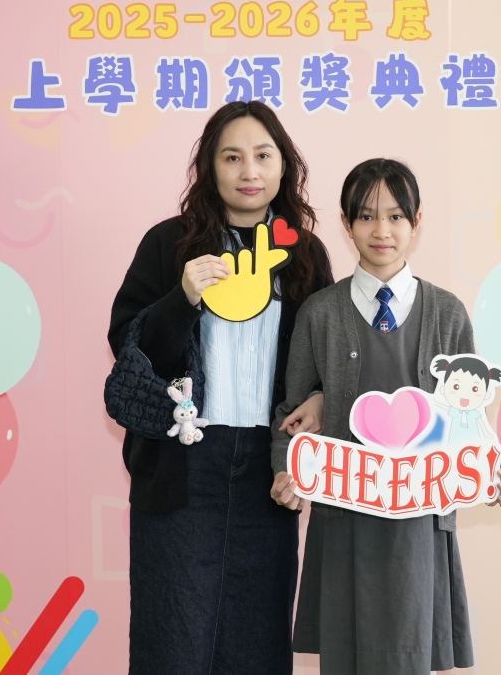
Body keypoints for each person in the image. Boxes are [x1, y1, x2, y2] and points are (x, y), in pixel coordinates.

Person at [108, 101, 334, 675]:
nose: (248, 171)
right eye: (232, 157)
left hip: (268, 472)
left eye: (263, 156)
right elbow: (129, 348)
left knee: (257, 644)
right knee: (171, 645)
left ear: (284, 166)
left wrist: (319, 401)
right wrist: (182, 297)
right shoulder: (169, 244)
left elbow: (327, 364)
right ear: (210, 167)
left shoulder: (305, 255)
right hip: (183, 468)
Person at [270, 158, 501, 675]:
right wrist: (285, 469)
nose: (381, 230)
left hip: (419, 520)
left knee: (410, 652)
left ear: (416, 221)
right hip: (343, 515)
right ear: (346, 223)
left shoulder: (447, 313)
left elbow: (467, 412)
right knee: (346, 656)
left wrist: (483, 466)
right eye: (366, 216)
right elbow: (291, 413)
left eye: (396, 216)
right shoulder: (319, 313)